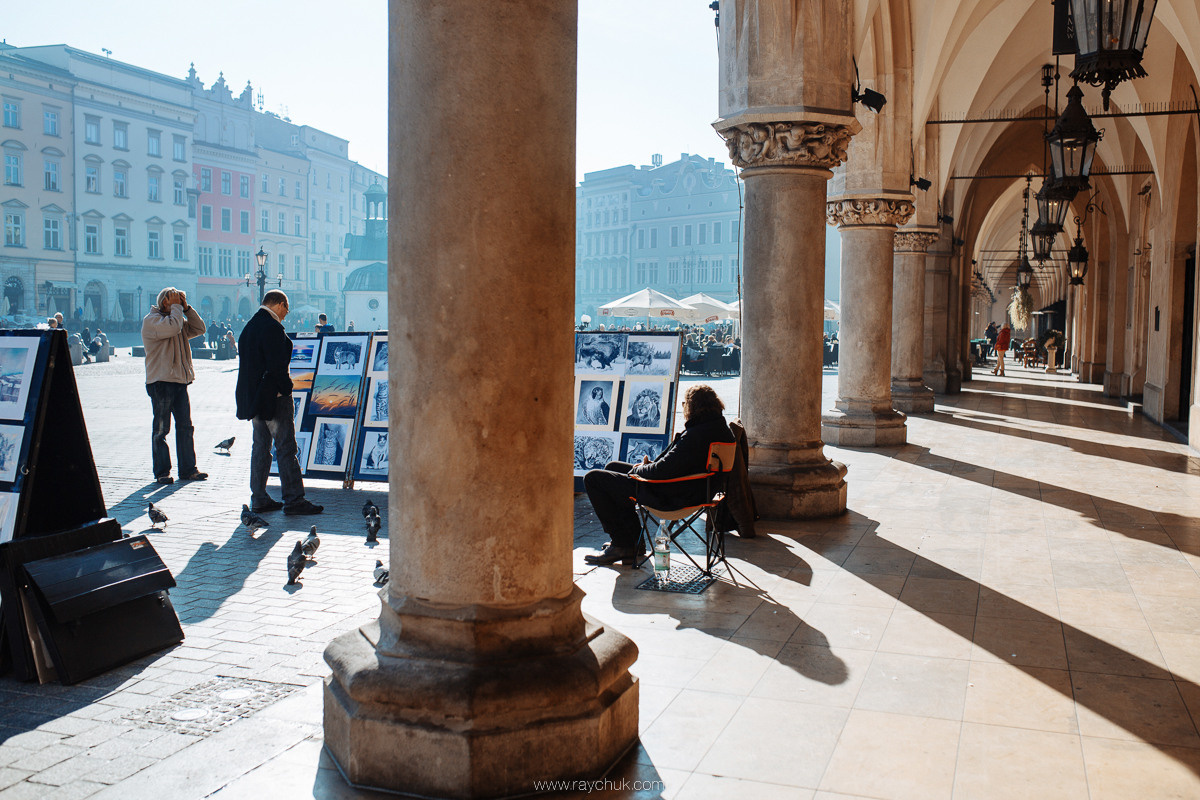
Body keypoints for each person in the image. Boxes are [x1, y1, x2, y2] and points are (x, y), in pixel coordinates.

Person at [583, 384, 735, 566]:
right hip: (694, 489)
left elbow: (660, 471)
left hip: (673, 496)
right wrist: (646, 467)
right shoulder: (719, 429)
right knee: (612, 466)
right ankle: (632, 542)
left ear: (692, 406)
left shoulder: (696, 435)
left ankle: (622, 543)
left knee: (593, 479)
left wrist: (638, 469)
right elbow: (673, 465)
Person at [237, 290, 323, 515]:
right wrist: (287, 389)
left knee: (261, 447)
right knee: (286, 448)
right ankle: (294, 499)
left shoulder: (249, 327)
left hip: (256, 399)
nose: (287, 313)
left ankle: (259, 497)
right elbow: (277, 366)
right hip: (273, 398)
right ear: (279, 304)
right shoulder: (272, 328)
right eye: (286, 307)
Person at [141, 287, 208, 484]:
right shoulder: (152, 321)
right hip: (160, 382)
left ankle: (188, 469)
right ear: (164, 302)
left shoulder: (177, 320)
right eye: (174, 300)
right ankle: (162, 472)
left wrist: (186, 308)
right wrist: (178, 309)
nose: (178, 303)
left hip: (179, 381)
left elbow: (199, 329)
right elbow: (171, 328)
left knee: (186, 427)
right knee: (161, 430)